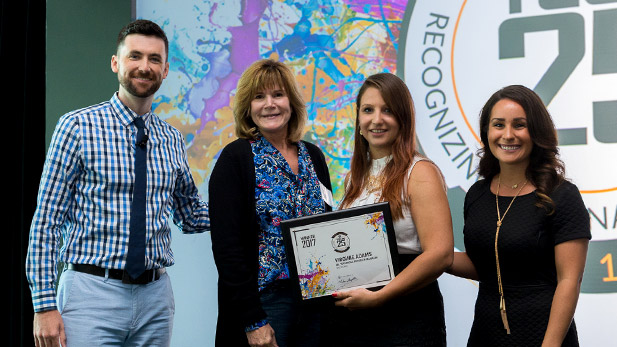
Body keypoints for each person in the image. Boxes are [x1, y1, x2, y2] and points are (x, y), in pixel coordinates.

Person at [26, 19, 210, 347]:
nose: (144, 66)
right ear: (116, 63)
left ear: (166, 69)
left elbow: (191, 216)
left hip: (156, 298)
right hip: (90, 293)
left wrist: (250, 205)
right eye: (134, 56)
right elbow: (46, 222)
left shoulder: (171, 138)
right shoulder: (76, 127)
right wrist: (43, 306)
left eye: (154, 59)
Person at [447, 85, 591, 346]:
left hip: (543, 335)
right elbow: (487, 265)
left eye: (519, 125)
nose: (508, 135)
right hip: (485, 333)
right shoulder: (477, 195)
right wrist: (431, 256)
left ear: (536, 131)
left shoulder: (562, 195)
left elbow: (569, 281)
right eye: (498, 125)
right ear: (486, 132)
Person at [209, 59, 333, 347]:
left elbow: (326, 226)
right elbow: (228, 250)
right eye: (259, 97)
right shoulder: (235, 159)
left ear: (291, 102)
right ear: (247, 107)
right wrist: (253, 321)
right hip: (265, 303)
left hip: (315, 302)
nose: (270, 104)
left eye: (278, 94)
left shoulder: (313, 155)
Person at [325, 73, 453, 346]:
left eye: (388, 110)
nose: (377, 119)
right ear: (358, 121)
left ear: (403, 120)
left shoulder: (419, 172)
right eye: (368, 110)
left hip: (407, 315)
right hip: (357, 318)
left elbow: (440, 254)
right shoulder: (354, 179)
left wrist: (379, 297)